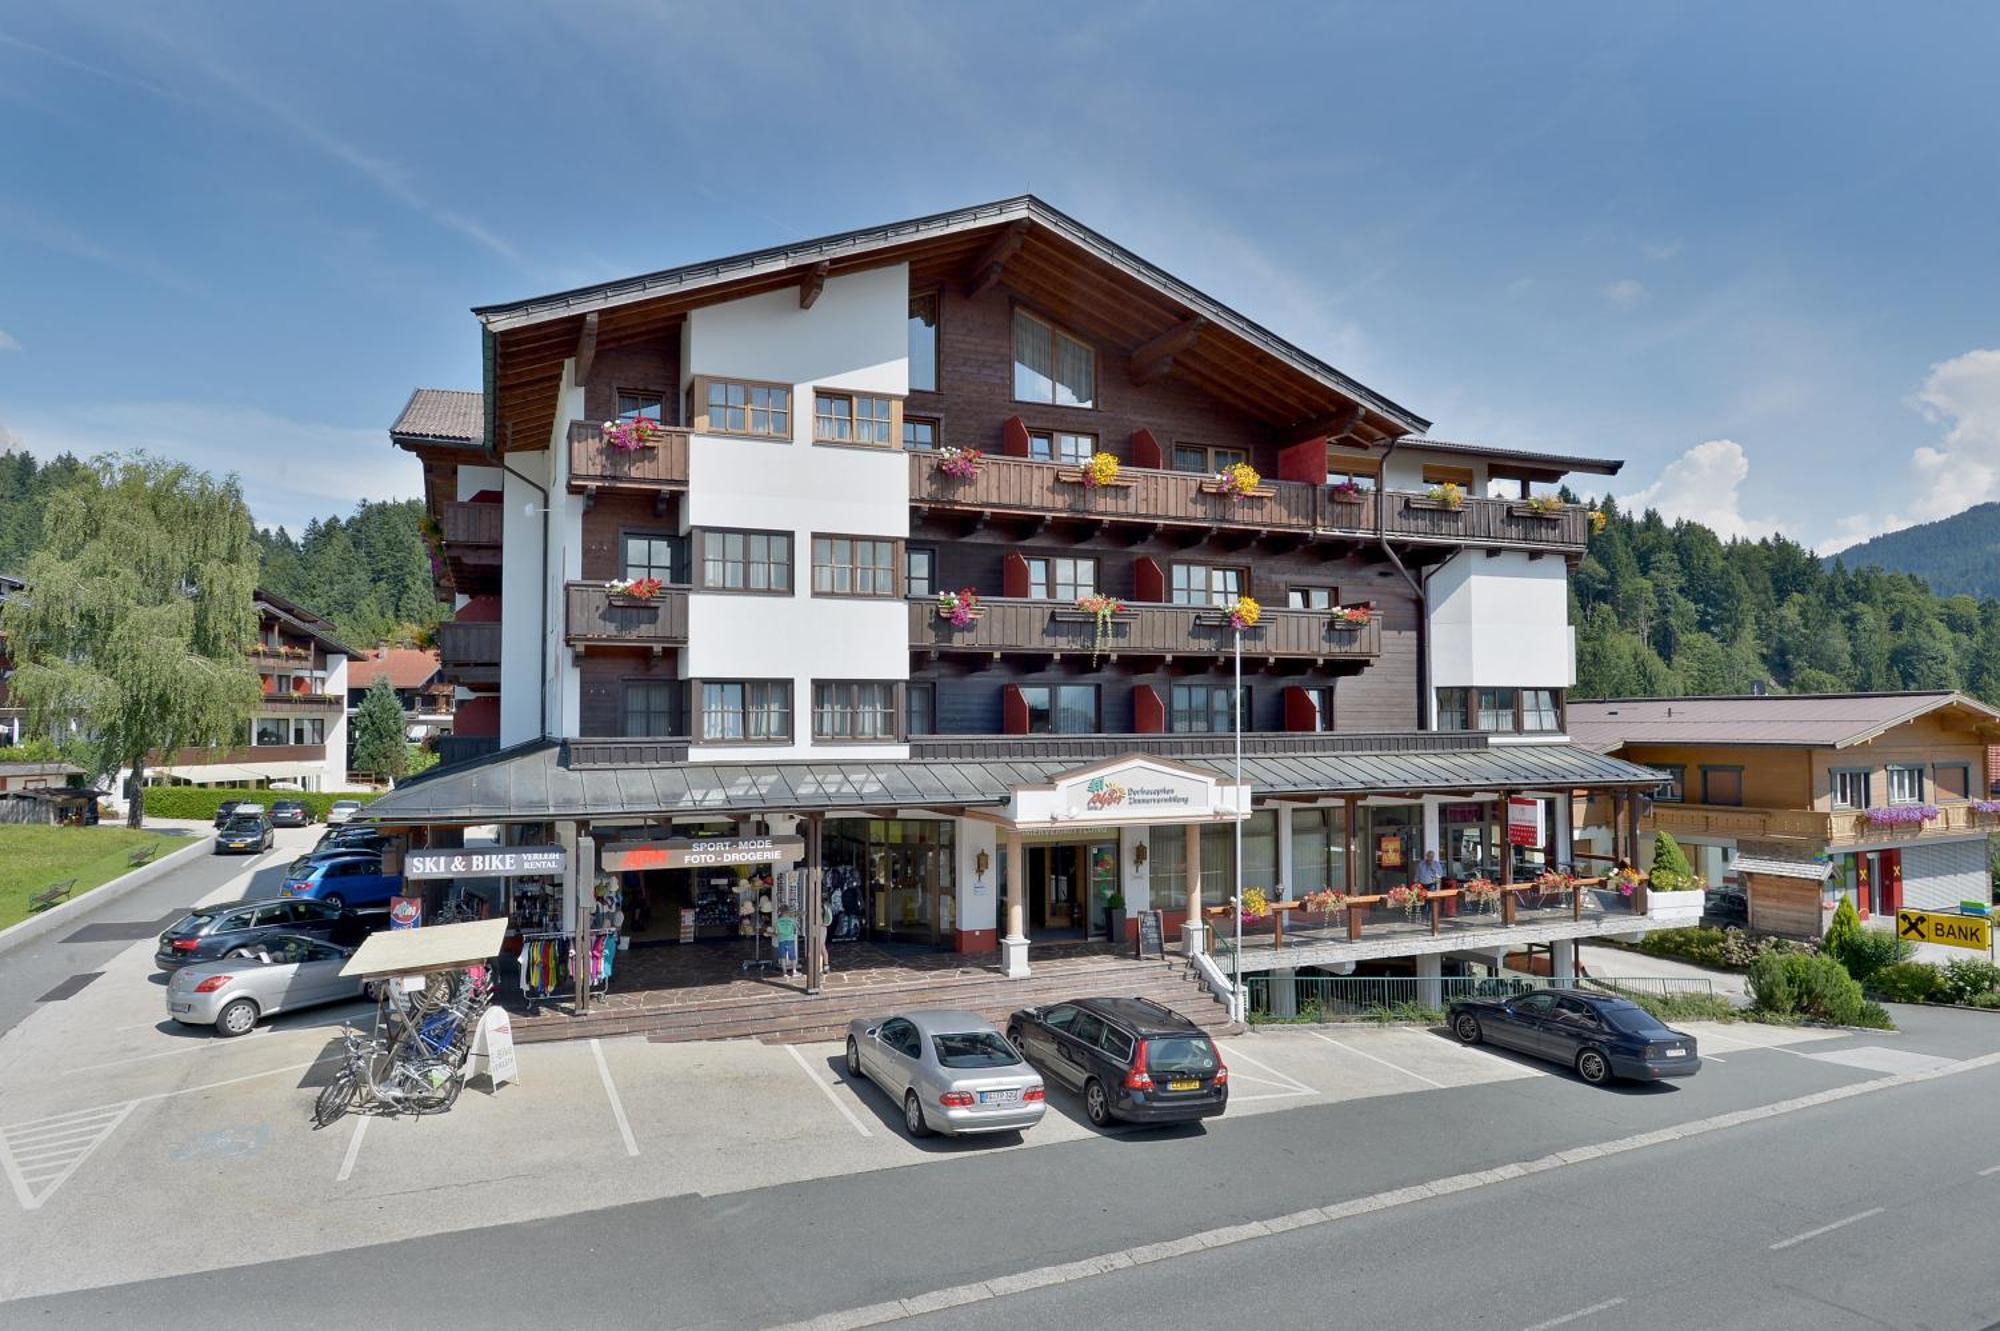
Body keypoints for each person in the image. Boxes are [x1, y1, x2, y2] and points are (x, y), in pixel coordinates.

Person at [773, 904, 800, 979]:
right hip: (790, 940)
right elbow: (795, 929)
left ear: (780, 912)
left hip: (781, 940)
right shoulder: (792, 920)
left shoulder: (778, 921)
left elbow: (776, 932)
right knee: (792, 956)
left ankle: (784, 972)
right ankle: (794, 971)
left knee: (782, 957)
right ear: (788, 911)